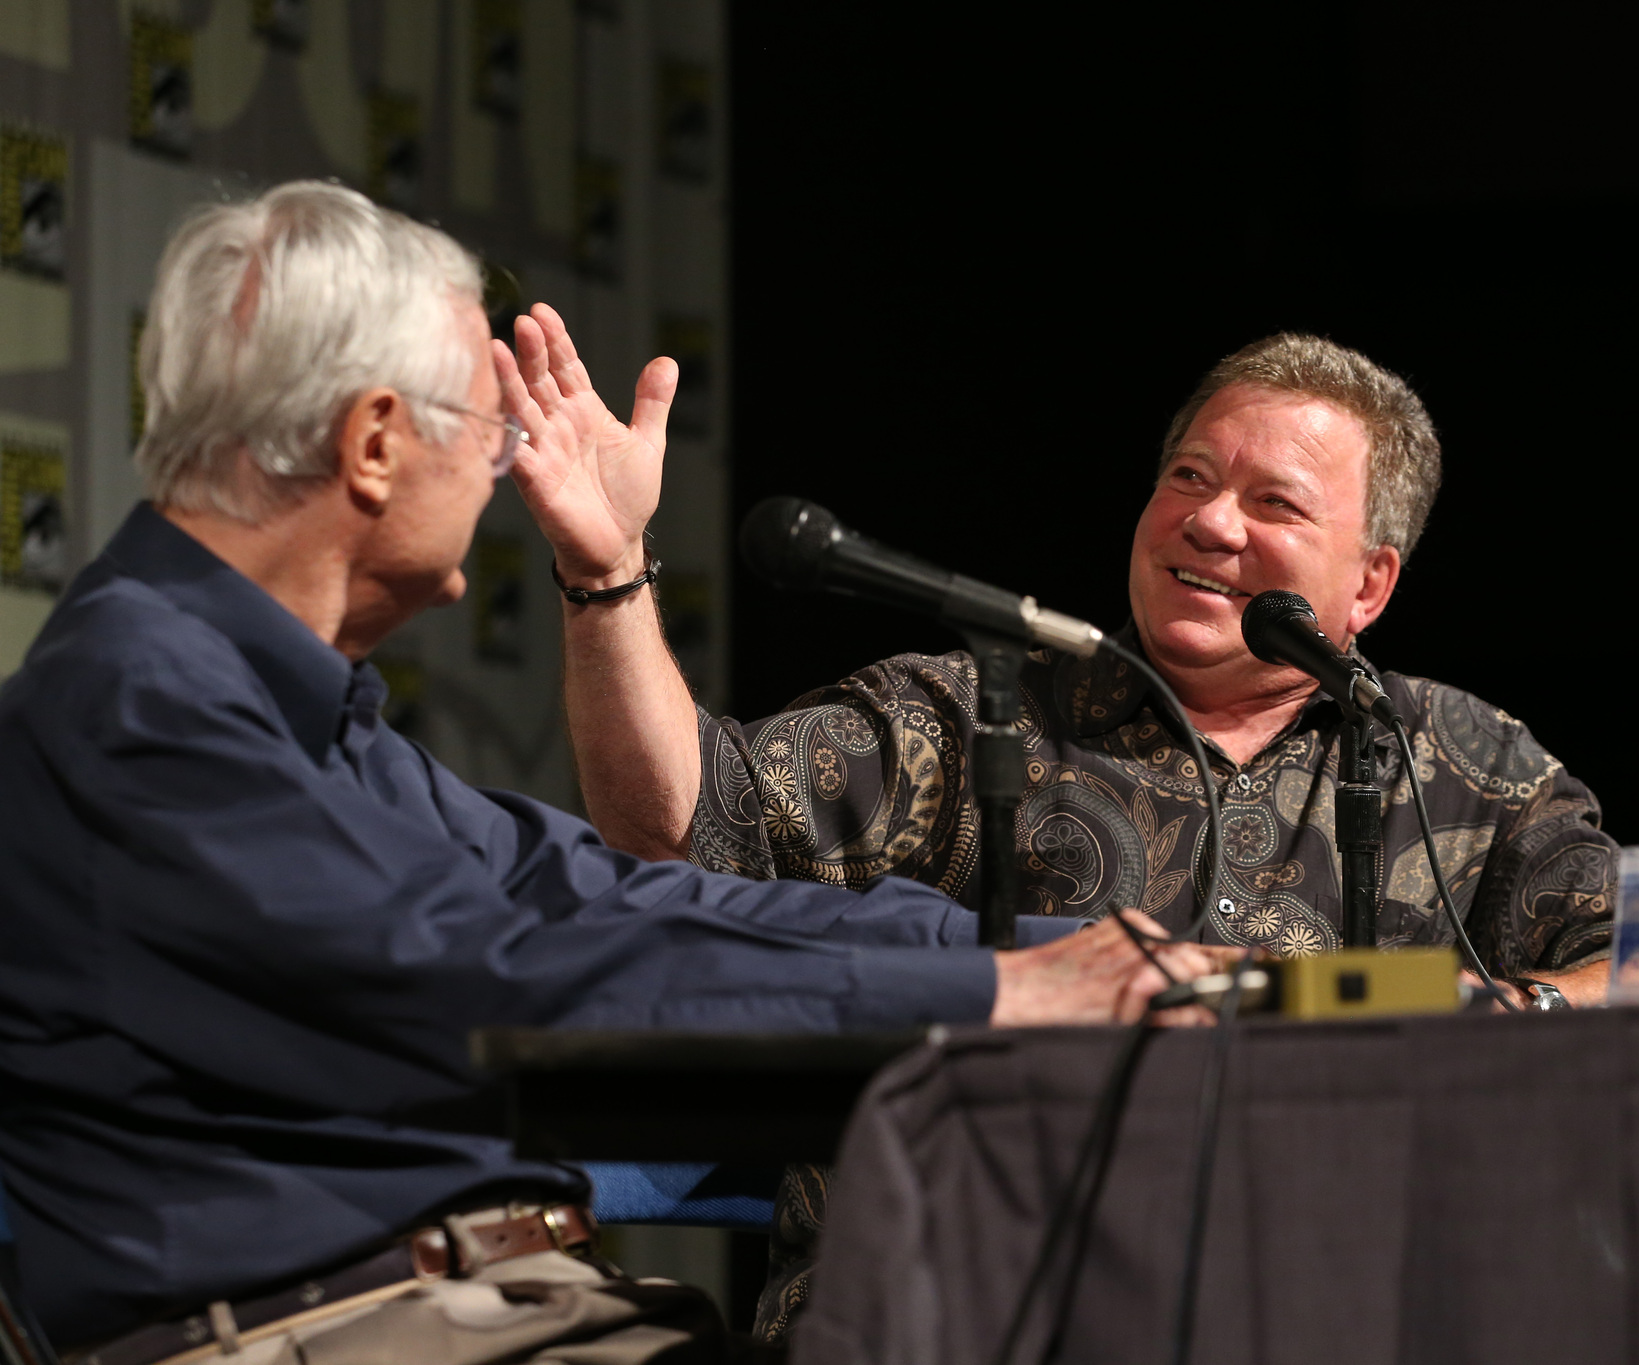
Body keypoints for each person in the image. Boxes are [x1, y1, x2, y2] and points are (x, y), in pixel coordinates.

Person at [0, 181, 1214, 1359]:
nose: (502, 468)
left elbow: (597, 893)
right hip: (324, 1332)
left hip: (477, 1312)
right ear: (373, 442)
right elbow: (501, 974)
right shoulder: (143, 699)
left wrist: (1027, 960)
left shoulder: (280, 701)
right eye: (489, 427)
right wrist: (989, 1002)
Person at [535, 333, 1620, 1335]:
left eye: (1274, 503)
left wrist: (1504, 1012)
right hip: (947, 1320)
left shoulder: (1469, 767)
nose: (1210, 522)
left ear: (1368, 583)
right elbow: (677, 834)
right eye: (1188, 477)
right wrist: (607, 572)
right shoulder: (972, 715)